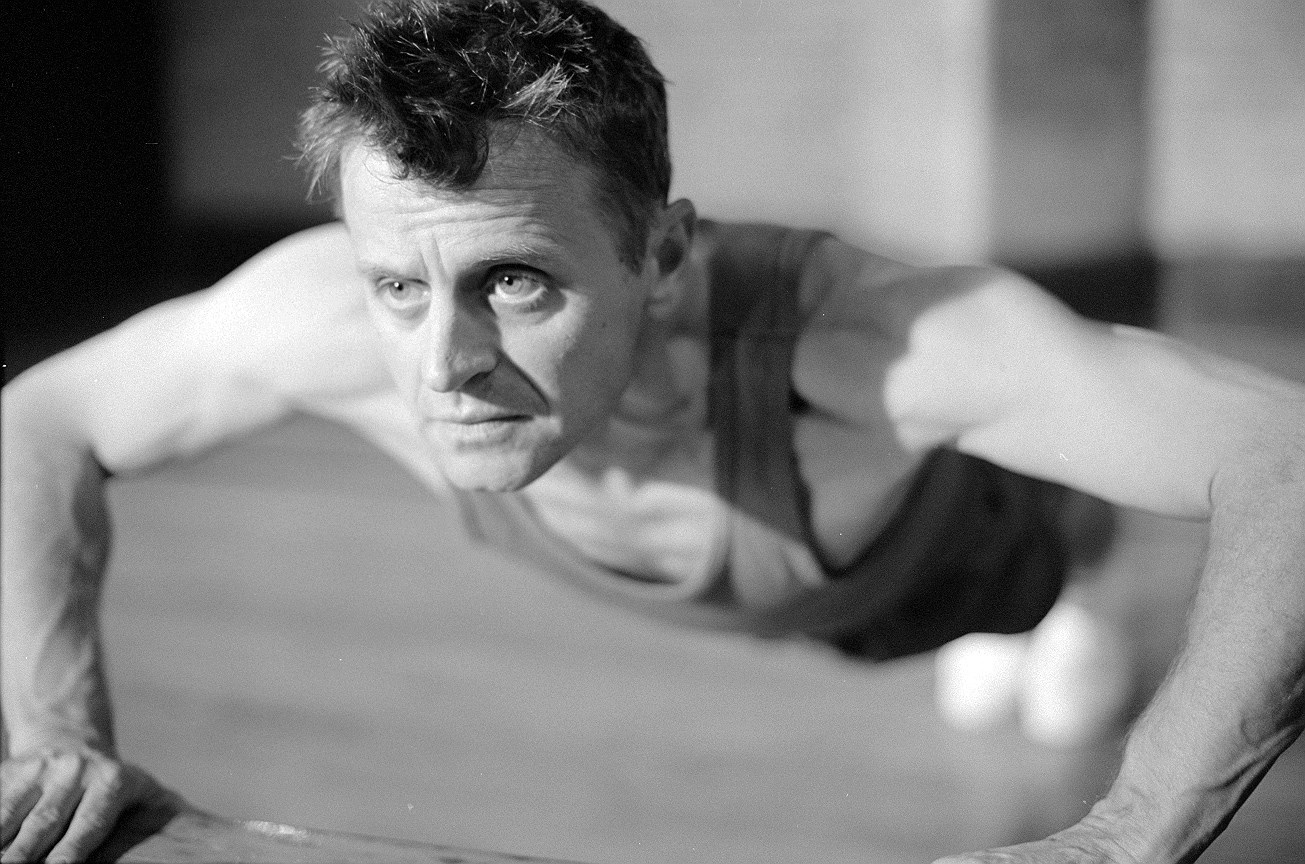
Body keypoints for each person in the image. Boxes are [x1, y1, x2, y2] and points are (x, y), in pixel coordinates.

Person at [2, 0, 1302, 861]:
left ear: (664, 256)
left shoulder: (856, 339)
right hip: (781, 577)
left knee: (1042, 597)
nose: (443, 365)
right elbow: (40, 415)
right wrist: (56, 730)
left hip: (945, 559)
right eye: (398, 285)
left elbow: (1286, 456)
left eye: (516, 281)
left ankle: (1079, 580)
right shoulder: (326, 317)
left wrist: (1131, 831)